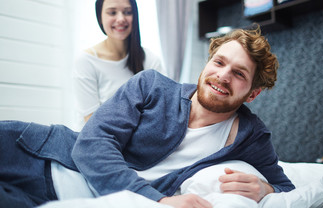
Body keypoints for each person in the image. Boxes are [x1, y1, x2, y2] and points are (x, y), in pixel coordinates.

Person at [0, 27, 295, 208]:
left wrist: (267, 188)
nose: (222, 75)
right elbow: (91, 145)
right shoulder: (151, 85)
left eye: (239, 73)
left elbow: (287, 189)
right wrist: (159, 201)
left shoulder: (251, 136)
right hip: (37, 160)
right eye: (218, 62)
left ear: (252, 94)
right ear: (207, 64)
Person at [73, 0, 166, 130]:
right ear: (100, 17)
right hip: (97, 143)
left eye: (128, 12)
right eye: (112, 12)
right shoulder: (86, 61)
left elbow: (160, 111)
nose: (121, 18)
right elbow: (93, 123)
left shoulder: (150, 60)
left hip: (140, 144)